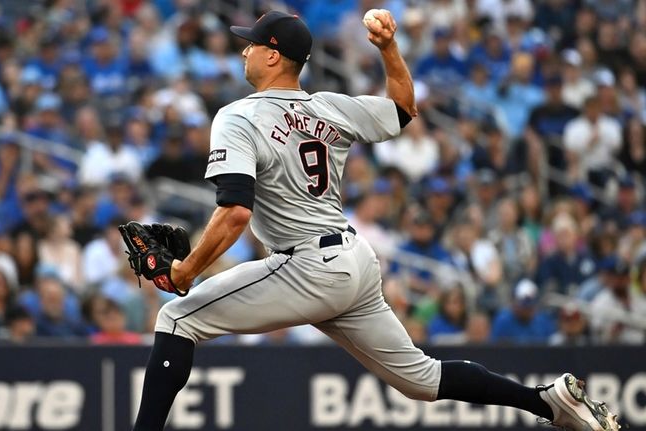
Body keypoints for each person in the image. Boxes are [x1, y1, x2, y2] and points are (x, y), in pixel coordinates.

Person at [128, 10, 618, 431]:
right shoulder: (330, 107)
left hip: (307, 266)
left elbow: (235, 210)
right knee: (423, 381)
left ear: (273, 55)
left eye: (251, 44)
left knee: (176, 317)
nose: (244, 53)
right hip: (353, 261)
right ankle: (547, 402)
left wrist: (186, 272)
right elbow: (404, 107)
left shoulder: (238, 116)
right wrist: (389, 48)